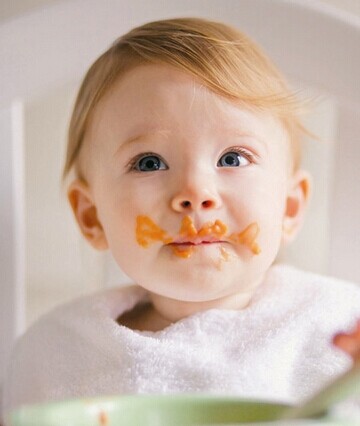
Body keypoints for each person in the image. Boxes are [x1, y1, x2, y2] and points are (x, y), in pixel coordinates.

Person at [2, 17, 360, 422]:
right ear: (92, 217)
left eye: (233, 158)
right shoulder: (60, 351)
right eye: (150, 162)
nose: (195, 193)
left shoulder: (340, 329)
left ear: (290, 208)